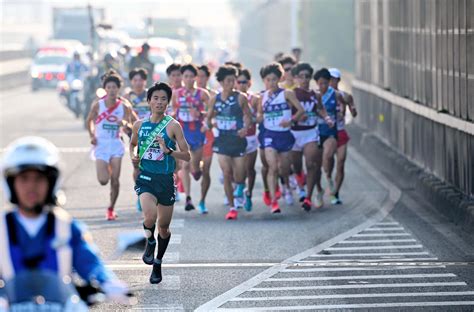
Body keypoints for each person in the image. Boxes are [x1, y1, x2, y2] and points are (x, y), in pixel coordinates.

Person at [0, 136, 130, 303]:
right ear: (11, 183)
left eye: (39, 179)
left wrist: (108, 282)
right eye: (24, 179)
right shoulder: (2, 227)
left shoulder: (68, 227)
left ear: (51, 182)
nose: (31, 186)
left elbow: (91, 263)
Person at [130, 82, 191, 284]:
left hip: (165, 180)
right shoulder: (139, 125)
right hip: (146, 177)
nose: (159, 102)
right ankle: (149, 240)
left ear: (168, 102)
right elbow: (132, 146)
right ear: (149, 101)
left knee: (163, 227)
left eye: (163, 99)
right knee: (150, 215)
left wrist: (169, 151)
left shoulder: (173, 126)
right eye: (155, 98)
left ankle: (158, 262)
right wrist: (134, 157)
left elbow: (188, 155)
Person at [257, 62, 305, 213]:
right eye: (268, 79)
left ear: (279, 79)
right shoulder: (262, 97)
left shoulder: (287, 94)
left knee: (284, 168)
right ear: (264, 80)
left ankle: (287, 187)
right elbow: (260, 115)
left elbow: (301, 110)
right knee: (272, 167)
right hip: (269, 135)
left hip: (284, 135)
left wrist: (291, 121)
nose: (271, 82)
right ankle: (273, 202)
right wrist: (253, 120)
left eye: (273, 79)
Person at [86, 70, 134, 220]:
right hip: (101, 145)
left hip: (116, 145)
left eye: (114, 87)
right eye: (109, 87)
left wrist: (124, 124)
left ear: (118, 88)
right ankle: (105, 165)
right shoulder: (98, 105)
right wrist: (92, 136)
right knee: (103, 180)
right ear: (105, 89)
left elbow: (129, 126)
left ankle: (111, 208)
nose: (112, 90)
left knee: (115, 179)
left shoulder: (124, 106)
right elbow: (89, 121)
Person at [206, 65, 252, 220]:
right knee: (226, 173)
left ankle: (241, 188)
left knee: (239, 176)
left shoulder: (241, 98)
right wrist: (210, 123)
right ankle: (232, 207)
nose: (232, 84)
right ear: (221, 82)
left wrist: (245, 128)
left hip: (238, 140)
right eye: (228, 81)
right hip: (223, 140)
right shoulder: (215, 99)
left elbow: (248, 116)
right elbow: (209, 117)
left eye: (234, 81)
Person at [291, 63, 333, 211]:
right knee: (296, 165)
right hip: (294, 133)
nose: (304, 80)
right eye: (301, 77)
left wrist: (327, 118)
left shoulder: (316, 95)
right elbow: (286, 114)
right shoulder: (290, 94)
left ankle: (308, 197)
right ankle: (299, 177)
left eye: (307, 76)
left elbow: (321, 109)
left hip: (310, 132)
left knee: (312, 164)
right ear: (295, 78)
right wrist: (295, 118)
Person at [171, 64, 210, 212]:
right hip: (183, 131)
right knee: (184, 165)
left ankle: (197, 167)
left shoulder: (202, 93)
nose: (188, 79)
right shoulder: (176, 93)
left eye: (191, 76)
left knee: (195, 167)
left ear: (196, 77)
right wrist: (174, 116)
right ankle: (188, 198)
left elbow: (211, 112)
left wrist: (200, 113)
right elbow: (174, 109)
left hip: (197, 132)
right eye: (185, 76)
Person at [314, 68, 345, 200]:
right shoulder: (314, 95)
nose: (323, 86)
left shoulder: (336, 94)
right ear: (316, 83)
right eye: (320, 84)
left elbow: (343, 105)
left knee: (327, 156)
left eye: (325, 83)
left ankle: (328, 177)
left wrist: (341, 114)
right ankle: (319, 189)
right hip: (316, 132)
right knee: (315, 164)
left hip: (331, 131)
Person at [328, 68, 357, 204]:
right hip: (327, 133)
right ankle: (328, 182)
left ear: (338, 80)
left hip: (340, 132)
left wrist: (352, 110)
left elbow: (353, 112)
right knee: (328, 164)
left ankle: (336, 193)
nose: (332, 82)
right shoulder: (321, 96)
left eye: (334, 79)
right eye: (329, 79)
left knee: (341, 163)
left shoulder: (345, 96)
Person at [236, 68, 259, 211]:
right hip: (236, 138)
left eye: (244, 82)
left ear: (249, 83)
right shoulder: (233, 99)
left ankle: (248, 193)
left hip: (250, 137)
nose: (241, 84)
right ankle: (238, 191)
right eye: (239, 82)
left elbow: (259, 117)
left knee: (249, 168)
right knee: (238, 168)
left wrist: (250, 117)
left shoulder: (255, 99)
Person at [196, 65, 217, 214]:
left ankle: (202, 201)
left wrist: (207, 119)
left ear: (207, 78)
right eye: (197, 76)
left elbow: (216, 115)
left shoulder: (213, 95)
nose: (199, 79)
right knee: (193, 169)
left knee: (206, 170)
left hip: (208, 135)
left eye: (202, 76)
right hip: (191, 135)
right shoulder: (187, 94)